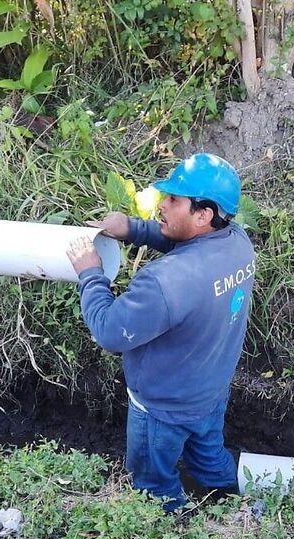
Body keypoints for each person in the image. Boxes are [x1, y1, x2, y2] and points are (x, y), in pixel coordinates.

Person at [66, 153, 256, 510]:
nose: (161, 206)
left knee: (153, 483)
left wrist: (91, 273)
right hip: (210, 393)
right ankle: (234, 505)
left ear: (203, 214)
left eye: (173, 200)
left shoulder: (164, 282)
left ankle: (173, 524)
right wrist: (133, 229)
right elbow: (190, 246)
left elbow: (109, 331)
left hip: (162, 409)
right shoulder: (237, 243)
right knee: (209, 459)